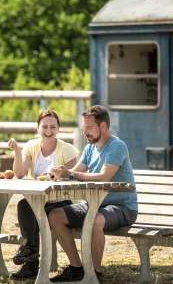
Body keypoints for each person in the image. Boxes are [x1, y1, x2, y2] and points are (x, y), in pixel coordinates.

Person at [48, 105, 138, 283]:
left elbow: (104, 177)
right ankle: (76, 268)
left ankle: (94, 274)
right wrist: (59, 175)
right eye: (84, 128)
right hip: (94, 205)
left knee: (95, 220)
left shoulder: (117, 146)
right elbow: (75, 173)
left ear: (103, 126)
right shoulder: (90, 148)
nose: (85, 132)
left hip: (122, 207)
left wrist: (71, 174)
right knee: (55, 215)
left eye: (89, 128)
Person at [7, 109, 79, 280]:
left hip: (60, 202)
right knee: (24, 204)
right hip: (37, 201)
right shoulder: (32, 146)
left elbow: (76, 176)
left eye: (52, 127)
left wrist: (61, 175)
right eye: (44, 126)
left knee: (31, 208)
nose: (48, 131)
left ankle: (30, 259)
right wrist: (17, 150)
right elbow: (20, 173)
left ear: (58, 128)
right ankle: (31, 256)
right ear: (37, 128)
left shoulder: (67, 149)